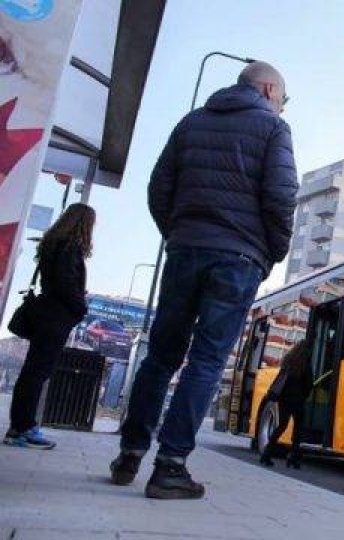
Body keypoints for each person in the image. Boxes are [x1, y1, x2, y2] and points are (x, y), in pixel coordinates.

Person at [110, 61, 298, 500]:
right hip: (237, 258)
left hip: (184, 250)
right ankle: (170, 467)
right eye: (284, 100)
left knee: (160, 356)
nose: (283, 108)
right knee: (207, 361)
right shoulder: (273, 129)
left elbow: (159, 188)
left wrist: (180, 233)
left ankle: (129, 454)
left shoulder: (191, 122)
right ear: (269, 90)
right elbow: (282, 195)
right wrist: (270, 251)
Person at [3, 203, 94, 449]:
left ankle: (20, 426)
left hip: (45, 313)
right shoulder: (70, 248)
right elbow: (66, 283)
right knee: (38, 372)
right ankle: (23, 429)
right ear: (84, 224)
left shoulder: (52, 244)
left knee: (32, 371)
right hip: (56, 316)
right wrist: (80, 306)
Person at [259, 338, 313, 468]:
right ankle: (293, 457)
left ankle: (266, 454)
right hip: (298, 400)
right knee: (298, 428)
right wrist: (305, 395)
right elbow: (309, 384)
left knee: (281, 426)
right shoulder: (305, 363)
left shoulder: (288, 361)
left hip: (284, 399)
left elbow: (281, 379)